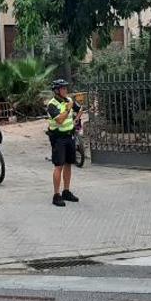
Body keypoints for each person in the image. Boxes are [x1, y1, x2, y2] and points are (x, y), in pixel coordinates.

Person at [46, 79, 82, 207]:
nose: (66, 90)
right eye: (63, 88)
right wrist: (67, 110)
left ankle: (66, 191)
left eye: (66, 88)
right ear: (57, 91)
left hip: (69, 136)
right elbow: (60, 120)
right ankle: (56, 195)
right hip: (58, 138)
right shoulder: (52, 104)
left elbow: (80, 109)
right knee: (59, 166)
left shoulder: (69, 101)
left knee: (68, 164)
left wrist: (76, 120)